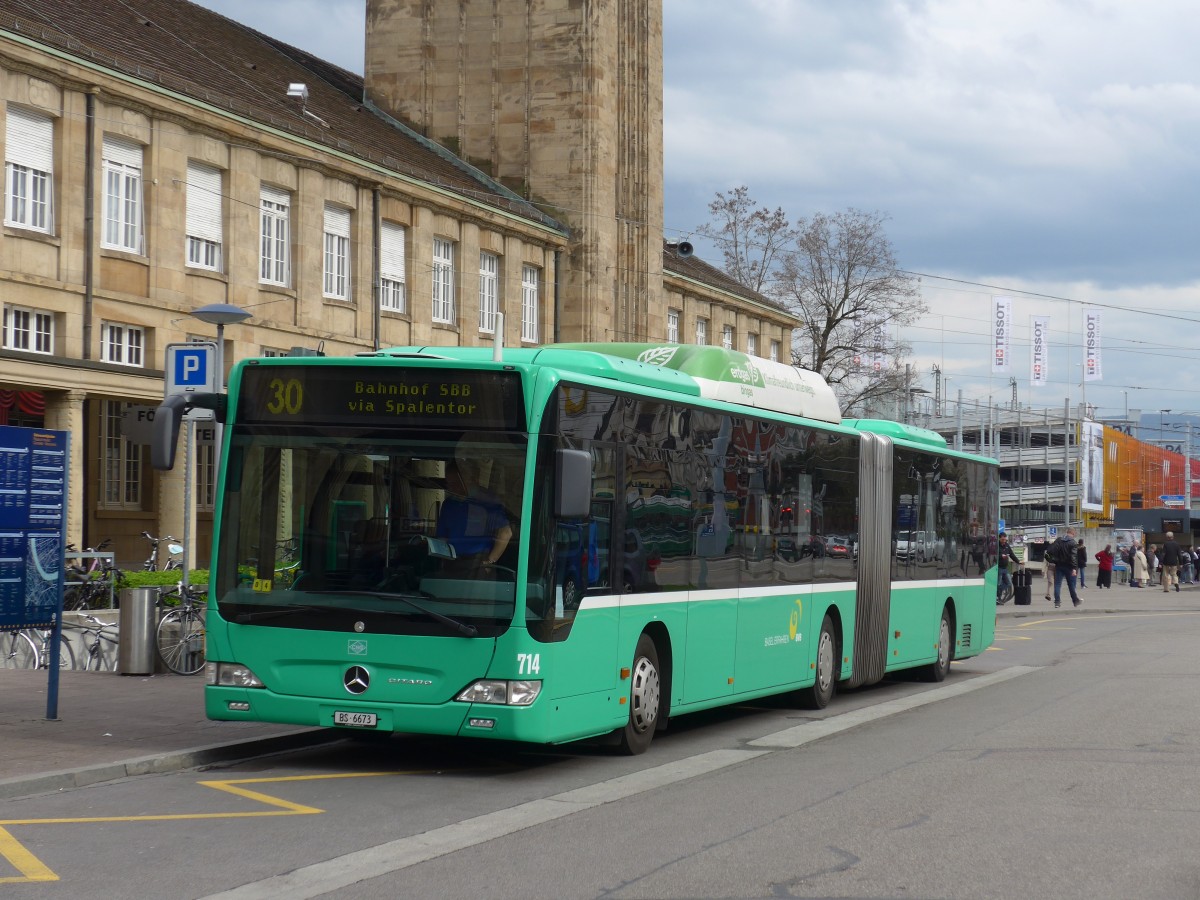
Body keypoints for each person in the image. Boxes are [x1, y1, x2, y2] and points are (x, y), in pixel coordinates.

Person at [436, 455, 513, 571]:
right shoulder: (449, 504)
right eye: (449, 484)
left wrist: (490, 561)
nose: (452, 489)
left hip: (479, 564)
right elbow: (443, 537)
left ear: (472, 479)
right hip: (452, 562)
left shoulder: (488, 501)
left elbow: (506, 533)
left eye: (457, 483)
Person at [1047, 528, 1081, 608]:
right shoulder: (1073, 543)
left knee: (1057, 584)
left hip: (1059, 565)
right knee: (1071, 585)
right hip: (1069, 567)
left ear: (1067, 532)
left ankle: (1057, 602)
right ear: (1073, 533)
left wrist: (1053, 560)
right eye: (1074, 534)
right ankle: (1075, 601)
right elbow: (1073, 556)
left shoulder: (1059, 540)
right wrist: (1074, 568)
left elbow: (1050, 551)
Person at [996, 532, 1020, 604]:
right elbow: (994, 555)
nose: (1004, 541)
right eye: (1002, 539)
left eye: (1005, 539)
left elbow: (1012, 554)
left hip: (1005, 568)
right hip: (999, 567)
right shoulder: (997, 546)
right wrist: (1001, 556)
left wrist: (1018, 561)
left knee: (1009, 583)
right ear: (999, 538)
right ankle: (998, 598)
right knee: (999, 583)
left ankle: (998, 592)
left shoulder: (1007, 545)